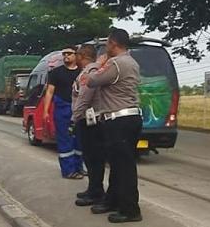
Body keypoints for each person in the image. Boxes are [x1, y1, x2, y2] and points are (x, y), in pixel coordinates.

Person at [87, 28, 143, 223]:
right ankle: (113, 200)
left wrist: (97, 64)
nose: (105, 47)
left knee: (125, 167)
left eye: (107, 43)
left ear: (114, 44)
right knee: (118, 165)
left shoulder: (117, 63)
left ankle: (130, 210)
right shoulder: (131, 61)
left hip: (120, 120)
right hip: (127, 119)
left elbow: (91, 81)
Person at [72, 44, 106, 206]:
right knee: (90, 158)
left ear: (83, 55)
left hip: (89, 121)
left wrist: (75, 118)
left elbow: (84, 98)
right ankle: (93, 189)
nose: (75, 57)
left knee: (93, 158)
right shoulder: (89, 71)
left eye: (77, 54)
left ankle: (96, 192)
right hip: (87, 119)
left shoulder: (90, 72)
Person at [43, 45, 83, 179]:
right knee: (65, 140)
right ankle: (68, 170)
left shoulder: (82, 72)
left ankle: (79, 167)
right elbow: (49, 92)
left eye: (69, 54)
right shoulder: (56, 73)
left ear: (76, 55)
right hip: (62, 110)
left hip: (79, 110)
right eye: (64, 54)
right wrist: (45, 111)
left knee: (79, 140)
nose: (66, 56)